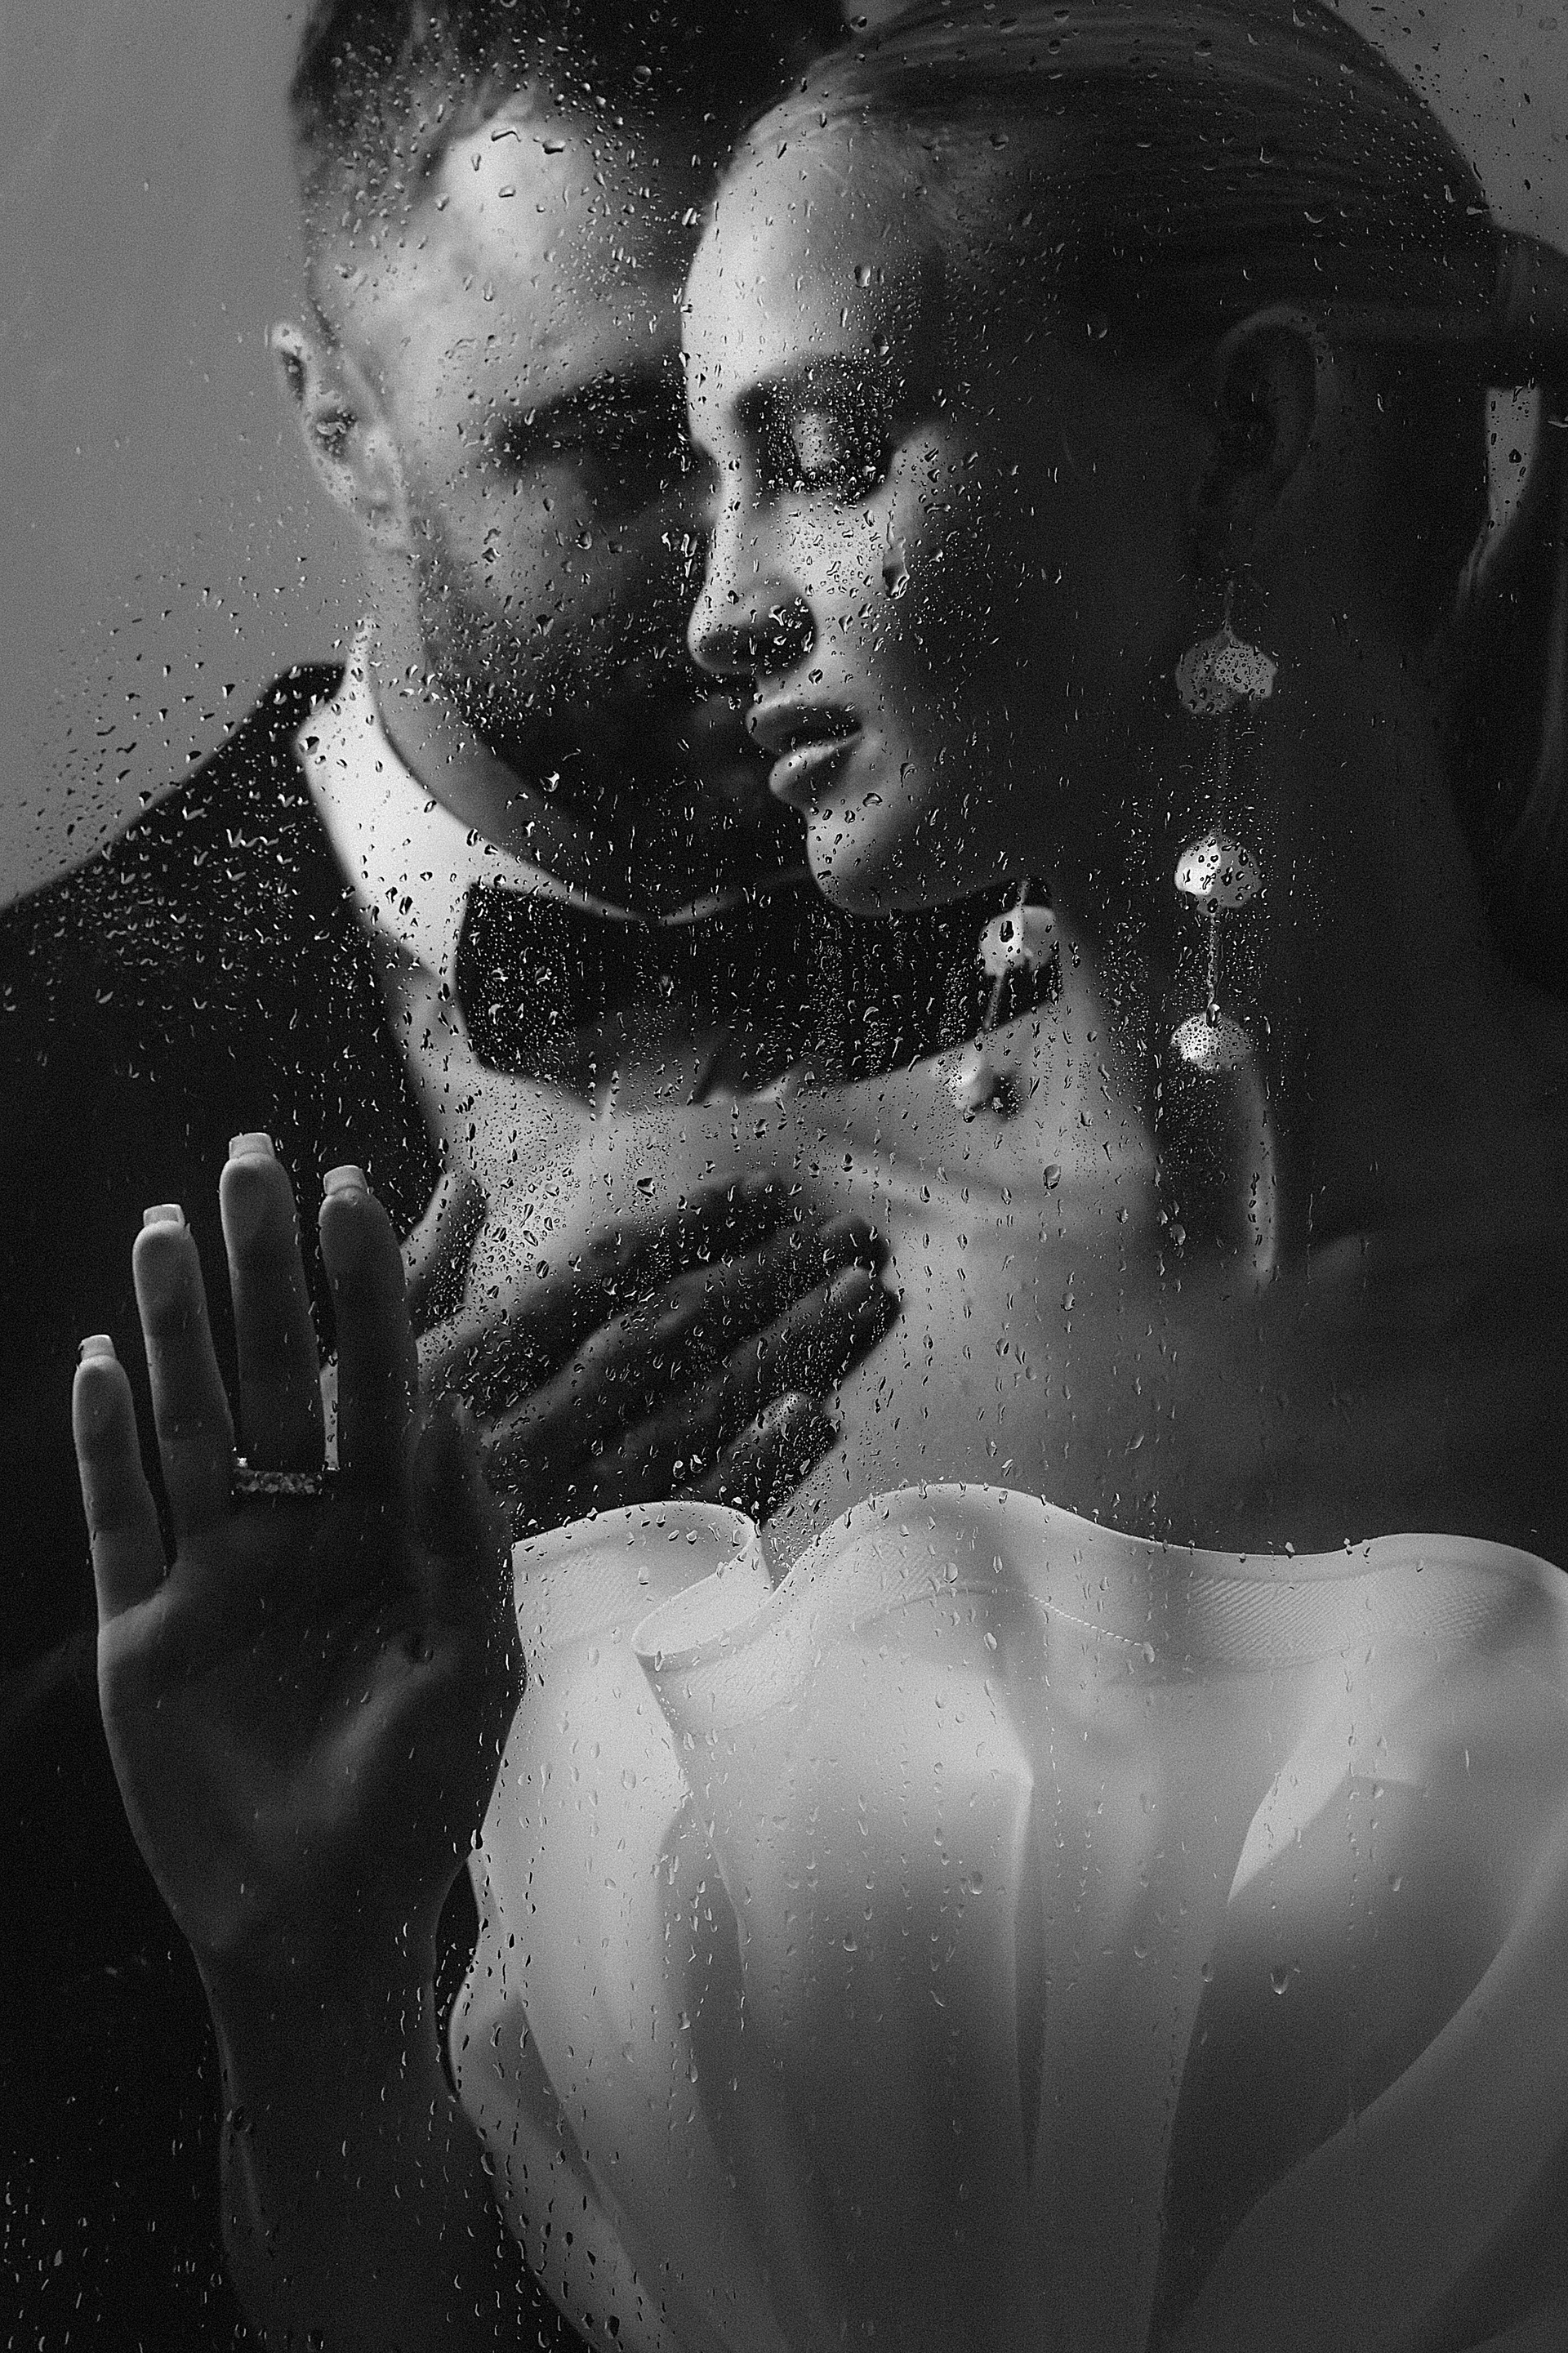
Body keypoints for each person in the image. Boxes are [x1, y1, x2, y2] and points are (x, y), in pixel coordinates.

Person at [69, 0, 1568, 2346]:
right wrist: (305, 1961)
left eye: (826, 452)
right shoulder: (678, 1287)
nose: (717, 606)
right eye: (678, 465)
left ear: (1249, 434)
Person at [0, 3, 942, 2339]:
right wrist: (242, 1763)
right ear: (341, 424)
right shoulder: (35, 1075)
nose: (748, 581)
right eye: (613, 444)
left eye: (821, 429)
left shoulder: (1105, 940)